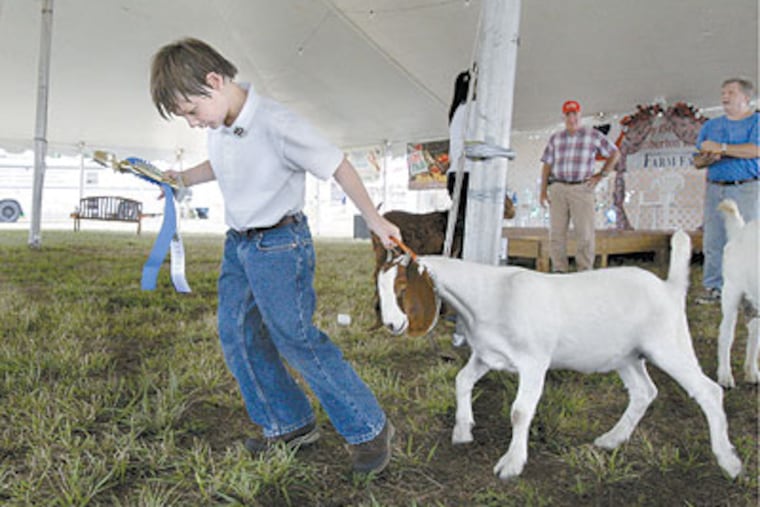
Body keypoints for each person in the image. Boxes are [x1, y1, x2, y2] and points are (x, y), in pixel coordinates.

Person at [149, 38, 400, 474]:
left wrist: (375, 220)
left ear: (214, 81)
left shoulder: (277, 122)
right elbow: (221, 164)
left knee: (295, 338)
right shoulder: (222, 125)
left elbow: (336, 162)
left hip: (280, 246)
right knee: (236, 333)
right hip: (239, 245)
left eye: (191, 111)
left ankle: (368, 427)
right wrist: (183, 178)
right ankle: (288, 423)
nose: (192, 123)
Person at [693, 77, 760, 304]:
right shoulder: (710, 126)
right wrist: (706, 158)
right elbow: (698, 159)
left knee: (748, 239)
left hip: (747, 187)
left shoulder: (756, 122)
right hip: (715, 188)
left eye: (731, 92)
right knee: (714, 239)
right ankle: (714, 288)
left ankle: (750, 292)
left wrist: (722, 148)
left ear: (746, 97)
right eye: (723, 92)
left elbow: (755, 150)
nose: (724, 96)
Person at [539, 100, 620, 272]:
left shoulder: (592, 135)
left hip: (582, 188)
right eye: (568, 114)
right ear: (564, 117)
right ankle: (559, 271)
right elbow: (547, 164)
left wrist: (601, 175)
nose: (571, 118)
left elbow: (615, 153)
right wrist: (543, 191)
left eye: (574, 113)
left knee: (585, 234)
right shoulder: (556, 138)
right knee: (556, 234)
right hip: (558, 188)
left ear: (580, 115)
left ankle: (584, 272)